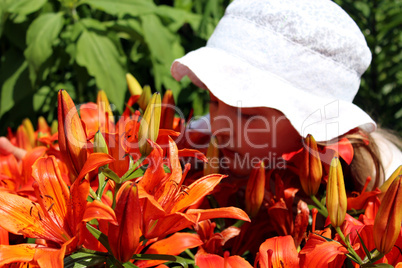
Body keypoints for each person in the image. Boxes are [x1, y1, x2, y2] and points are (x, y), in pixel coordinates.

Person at [170, 0, 402, 191]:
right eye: (213, 101)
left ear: (313, 127)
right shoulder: (200, 139)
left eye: (249, 116)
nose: (220, 126)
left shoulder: (383, 179)